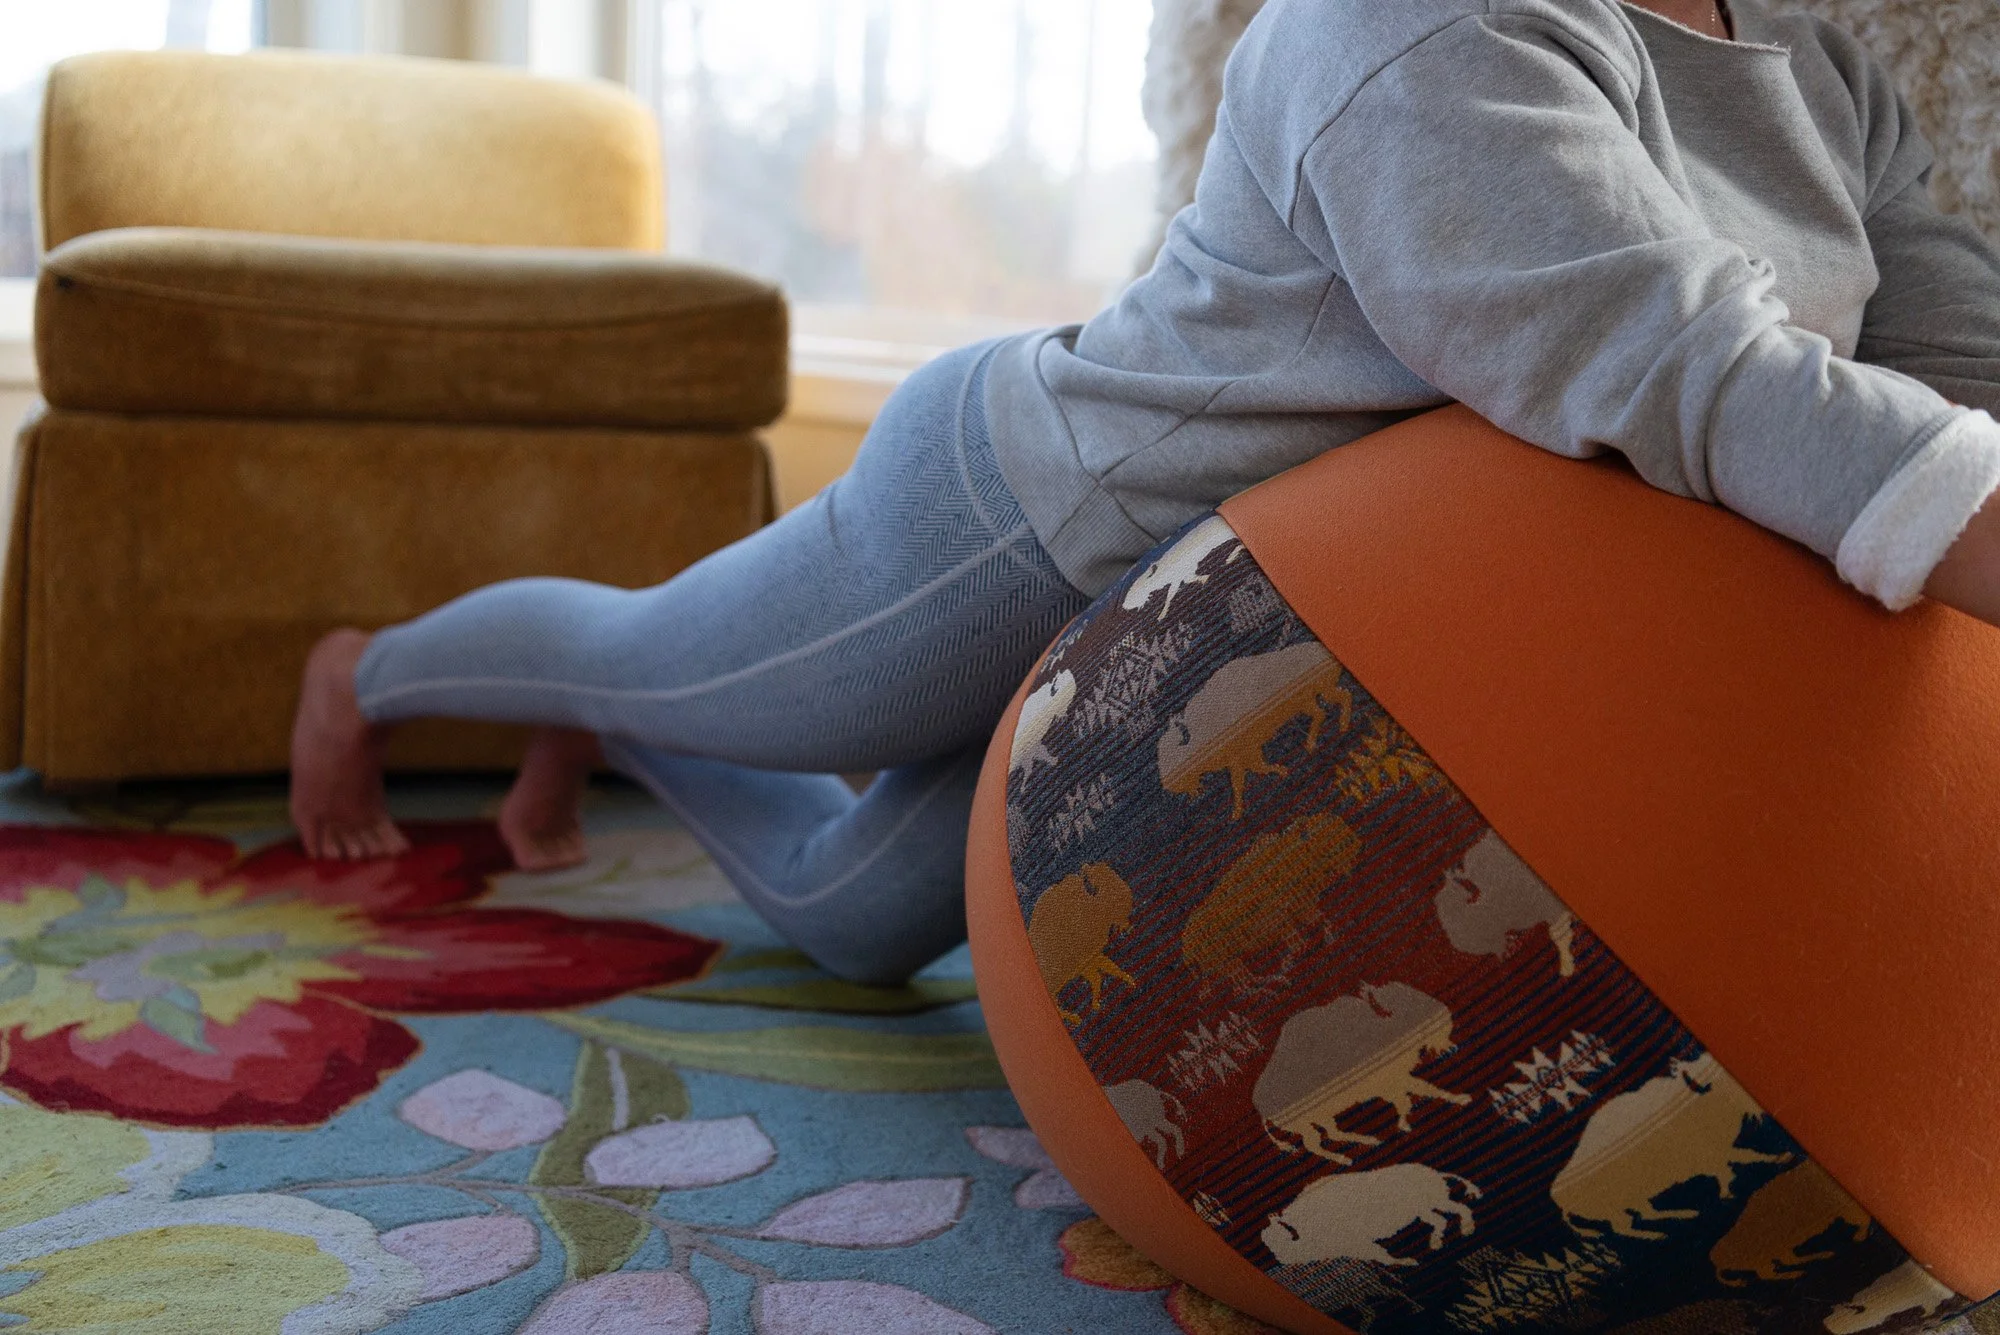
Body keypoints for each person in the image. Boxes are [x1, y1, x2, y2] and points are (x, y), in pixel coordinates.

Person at [290, 0, 2000, 984]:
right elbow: (1684, 376)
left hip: (1211, 632)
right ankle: (368, 675)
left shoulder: (1827, 78)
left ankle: (657, 736)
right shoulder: (1413, 24)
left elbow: (1956, 367)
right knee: (659, 651)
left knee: (853, 928)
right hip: (1029, 515)